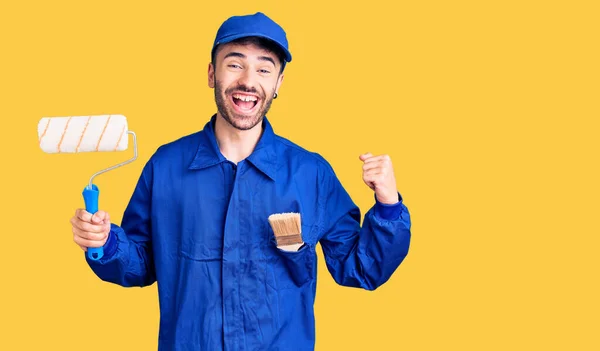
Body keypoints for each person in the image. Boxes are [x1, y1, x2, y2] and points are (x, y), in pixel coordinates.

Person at [70, 11, 411, 351]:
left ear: (278, 84)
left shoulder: (311, 174)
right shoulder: (166, 166)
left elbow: (360, 267)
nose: (249, 80)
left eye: (264, 69)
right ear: (211, 73)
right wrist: (105, 243)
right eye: (235, 64)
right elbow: (140, 264)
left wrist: (388, 206)